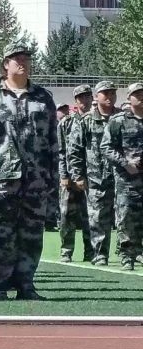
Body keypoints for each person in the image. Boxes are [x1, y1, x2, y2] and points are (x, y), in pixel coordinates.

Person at [0, 43, 58, 301]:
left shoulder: (43, 97)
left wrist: (53, 175)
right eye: (16, 59)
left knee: (32, 234)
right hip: (3, 176)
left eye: (26, 58)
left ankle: (26, 285)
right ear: (6, 64)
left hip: (36, 176)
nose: (22, 62)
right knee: (1, 234)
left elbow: (52, 139)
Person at [69, 82, 118, 266]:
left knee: (125, 217)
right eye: (105, 93)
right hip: (96, 177)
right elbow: (75, 150)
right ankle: (100, 254)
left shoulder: (122, 117)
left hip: (122, 177)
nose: (109, 96)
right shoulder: (86, 120)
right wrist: (78, 175)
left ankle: (128, 254)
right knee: (98, 218)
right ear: (96, 96)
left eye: (112, 93)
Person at [100, 83, 143, 271]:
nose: (141, 97)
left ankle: (139, 252)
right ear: (129, 98)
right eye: (137, 94)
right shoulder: (119, 120)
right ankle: (127, 256)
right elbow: (106, 147)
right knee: (126, 218)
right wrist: (126, 163)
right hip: (127, 180)